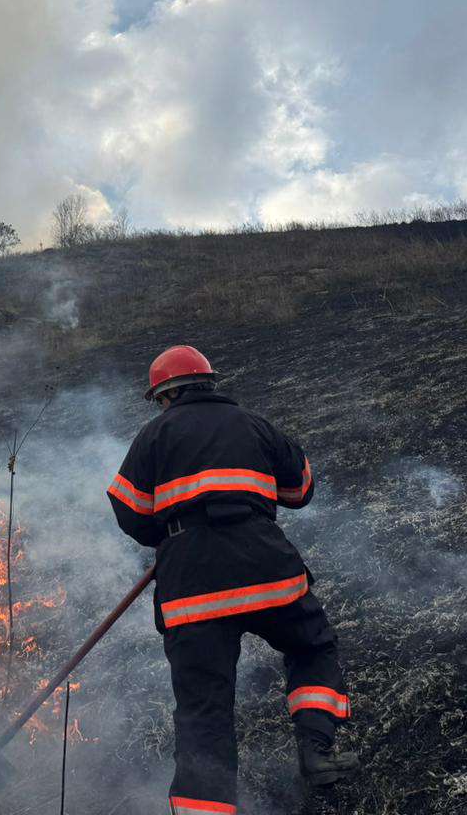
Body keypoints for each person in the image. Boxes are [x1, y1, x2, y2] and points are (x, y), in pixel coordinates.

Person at [107, 345, 359, 814]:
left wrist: (172, 532)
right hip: (266, 570)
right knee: (311, 646)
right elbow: (300, 489)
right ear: (209, 384)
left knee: (203, 708)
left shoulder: (152, 437)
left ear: (164, 396)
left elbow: (130, 513)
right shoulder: (255, 424)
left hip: (193, 591)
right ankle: (318, 750)